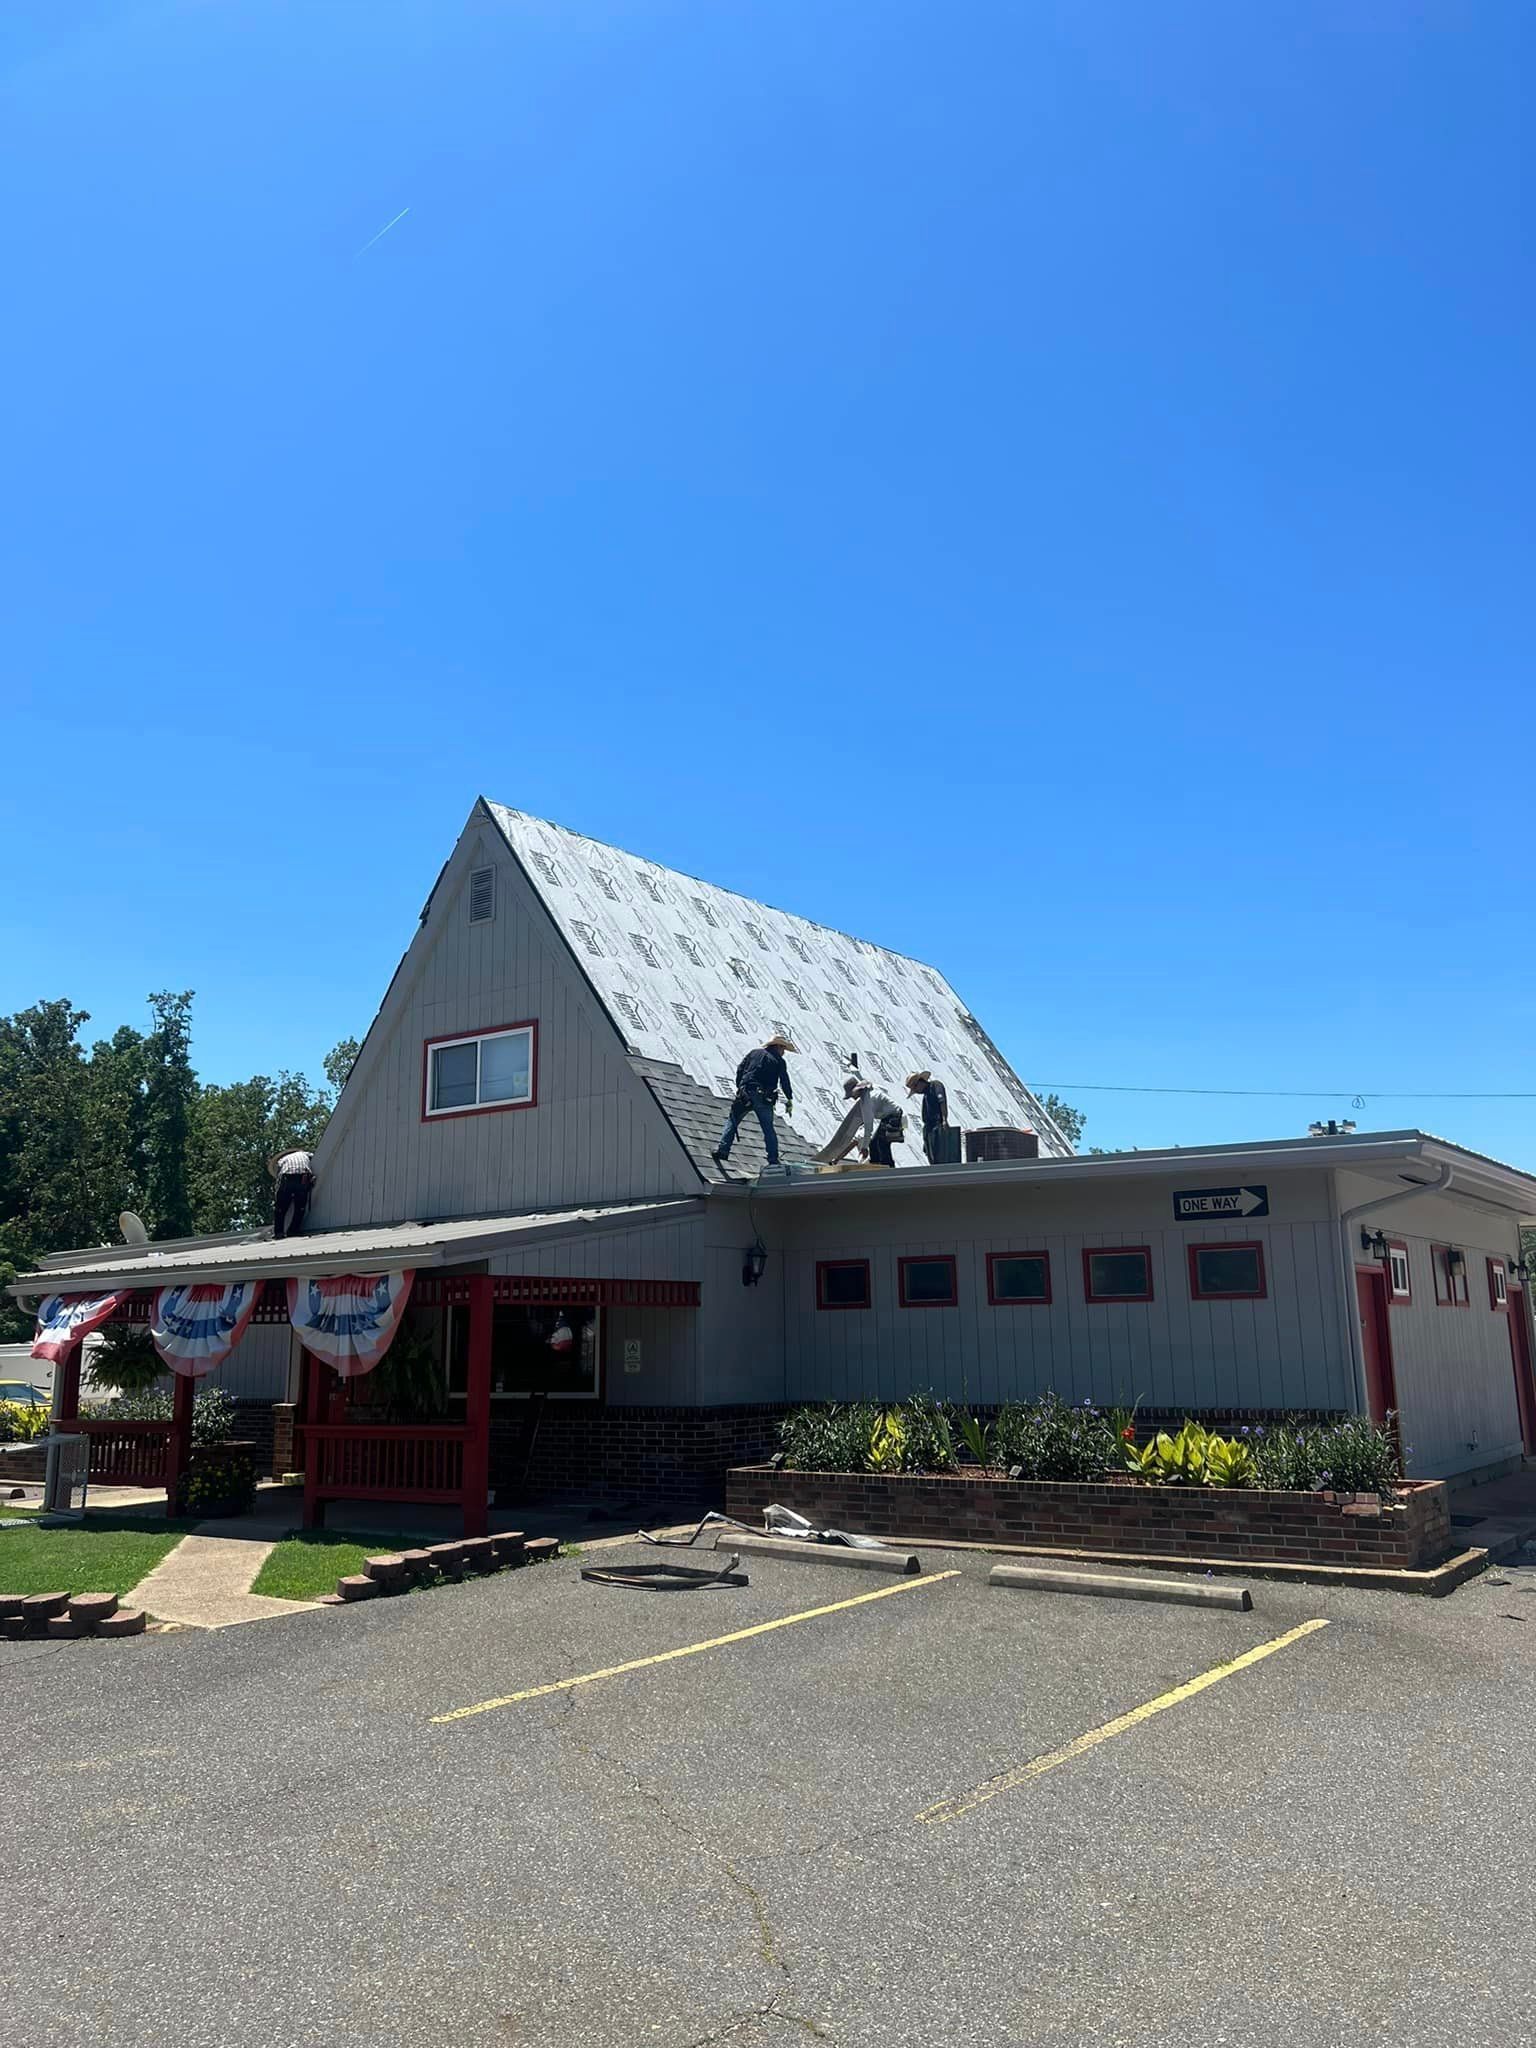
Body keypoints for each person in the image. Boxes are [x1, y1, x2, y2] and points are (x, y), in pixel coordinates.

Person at [713, 1035, 797, 1169]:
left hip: (745, 1094)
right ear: (778, 1046)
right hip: (765, 1098)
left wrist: (740, 1088)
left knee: (733, 1120)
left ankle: (723, 1150)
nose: (784, 1052)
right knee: (768, 1128)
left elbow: (740, 1070)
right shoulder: (779, 1061)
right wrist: (789, 1098)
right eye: (783, 1049)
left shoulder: (753, 1053)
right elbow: (784, 1081)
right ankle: (773, 1159)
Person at [818, 1075, 907, 1168]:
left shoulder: (867, 1101)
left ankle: (887, 1167)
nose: (853, 1098)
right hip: (893, 1115)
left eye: (852, 1095)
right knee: (874, 1143)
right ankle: (877, 1164)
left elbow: (869, 1126)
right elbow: (884, 1090)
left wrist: (864, 1148)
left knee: (882, 1142)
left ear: (857, 1090)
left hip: (893, 1117)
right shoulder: (872, 1089)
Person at [270, 1147, 317, 1239]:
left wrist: (277, 1192)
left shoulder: (283, 1159)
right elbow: (314, 1157)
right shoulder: (305, 1154)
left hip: (287, 1177)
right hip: (303, 1177)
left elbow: (279, 1172)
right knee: (300, 1207)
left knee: (280, 1208)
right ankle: (293, 1230)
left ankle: (279, 1232)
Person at [906, 1070, 950, 1164]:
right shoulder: (926, 1095)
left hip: (936, 1124)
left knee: (937, 1151)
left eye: (915, 1088)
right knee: (930, 1152)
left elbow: (942, 1102)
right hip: (928, 1127)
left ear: (920, 1082)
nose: (917, 1092)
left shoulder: (935, 1085)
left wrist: (944, 1119)